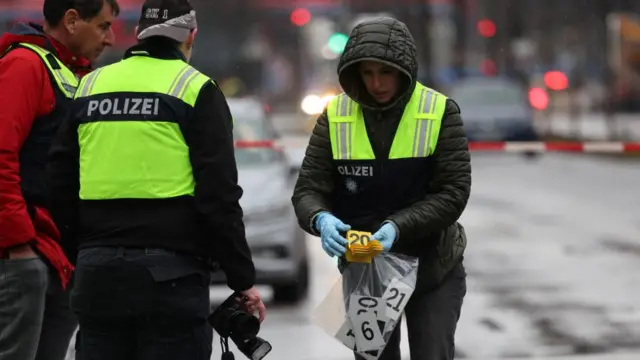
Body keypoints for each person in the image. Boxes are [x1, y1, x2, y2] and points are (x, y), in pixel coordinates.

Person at [47, 0, 266, 358]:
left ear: (137, 35)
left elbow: (58, 182)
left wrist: (82, 253)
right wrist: (241, 279)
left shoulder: (90, 87)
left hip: (97, 273)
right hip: (171, 279)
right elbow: (219, 196)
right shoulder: (196, 89)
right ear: (190, 37)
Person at [292, 17, 471, 360]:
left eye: (385, 72)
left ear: (403, 68)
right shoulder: (335, 117)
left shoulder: (439, 112)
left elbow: (453, 193)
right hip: (367, 272)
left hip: (434, 267)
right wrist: (320, 219)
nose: (376, 83)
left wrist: (397, 227)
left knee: (433, 353)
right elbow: (308, 190)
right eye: (367, 73)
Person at [0, 1, 118, 359]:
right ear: (71, 20)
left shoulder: (71, 73)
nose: (111, 38)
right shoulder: (24, 65)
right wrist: (19, 245)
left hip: (57, 255)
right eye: (102, 26)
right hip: (27, 251)